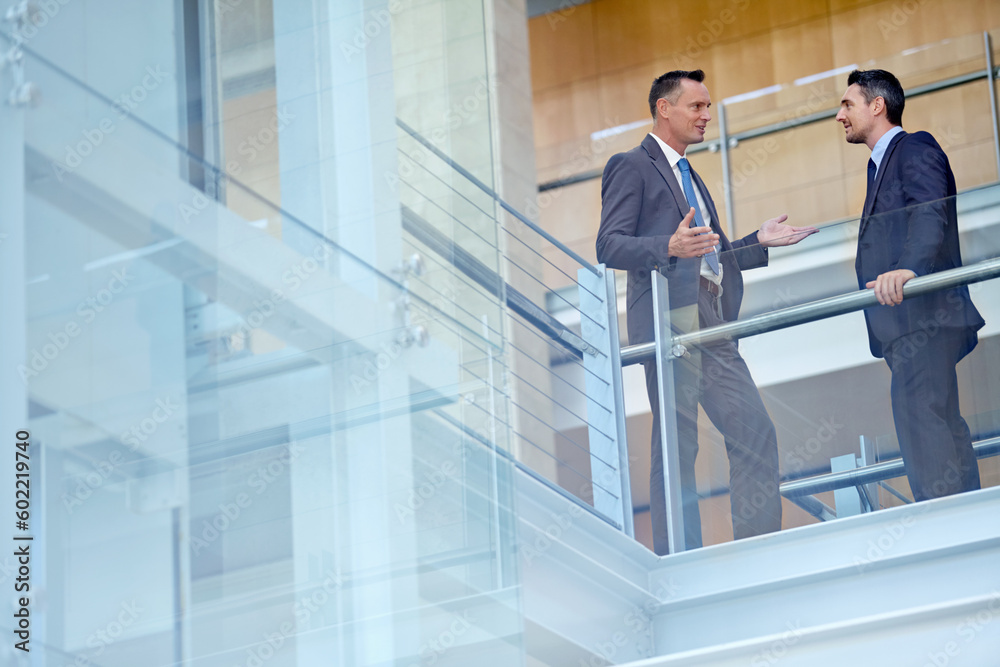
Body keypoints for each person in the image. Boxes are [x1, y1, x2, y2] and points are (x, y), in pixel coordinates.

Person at [596, 69, 816, 555]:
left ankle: (757, 552)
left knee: (753, 428)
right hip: (669, 320)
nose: (706, 116)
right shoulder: (630, 165)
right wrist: (667, 246)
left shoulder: (691, 175)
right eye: (696, 106)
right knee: (677, 445)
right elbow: (608, 245)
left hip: (710, 316)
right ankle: (679, 557)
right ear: (664, 109)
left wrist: (755, 243)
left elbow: (707, 257)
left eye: (709, 106)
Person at [835, 68, 984, 502]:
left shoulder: (913, 147)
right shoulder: (878, 166)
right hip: (908, 322)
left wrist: (910, 270)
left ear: (877, 106)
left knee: (919, 416)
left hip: (923, 313)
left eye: (848, 104)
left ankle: (945, 521)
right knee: (938, 416)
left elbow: (929, 212)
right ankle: (965, 510)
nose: (840, 115)